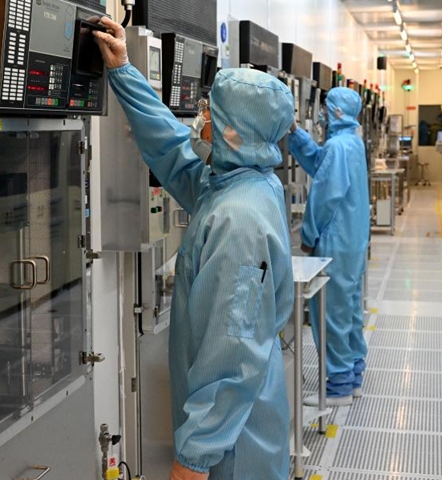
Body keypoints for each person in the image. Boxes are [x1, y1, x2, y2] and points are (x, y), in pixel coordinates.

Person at [94, 18, 295, 480]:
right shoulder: (236, 181)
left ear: (230, 134)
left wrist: (194, 458)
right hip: (233, 430)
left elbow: (233, 350)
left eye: (209, 110)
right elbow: (172, 149)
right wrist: (124, 71)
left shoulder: (239, 220)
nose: (199, 115)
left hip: (233, 449)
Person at [288, 87, 370, 406]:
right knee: (348, 309)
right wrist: (295, 134)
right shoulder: (351, 143)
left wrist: (308, 237)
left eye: (325, 108)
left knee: (330, 313)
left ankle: (338, 386)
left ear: (336, 112)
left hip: (335, 239)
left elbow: (323, 196)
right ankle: (353, 373)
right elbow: (320, 164)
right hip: (353, 240)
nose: (321, 114)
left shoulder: (337, 146)